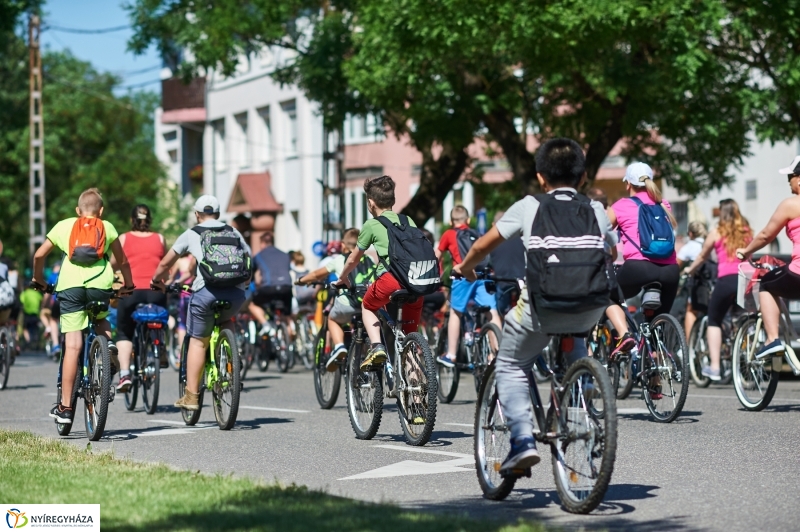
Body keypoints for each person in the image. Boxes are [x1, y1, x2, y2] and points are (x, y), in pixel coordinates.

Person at [453, 138, 617, 471]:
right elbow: (611, 250)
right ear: (583, 177)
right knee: (576, 337)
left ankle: (522, 441)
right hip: (590, 304)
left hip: (543, 305)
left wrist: (465, 268)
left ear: (541, 177)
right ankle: (583, 387)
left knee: (511, 364)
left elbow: (483, 245)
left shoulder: (529, 206)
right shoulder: (595, 209)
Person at [31, 188, 134, 423]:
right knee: (101, 318)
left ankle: (66, 408)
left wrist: (39, 280)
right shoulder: (107, 226)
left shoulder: (64, 226)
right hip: (100, 286)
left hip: (71, 289)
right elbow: (123, 260)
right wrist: (128, 285)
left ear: (78, 210)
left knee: (73, 346)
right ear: (101, 211)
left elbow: (39, 255)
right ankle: (107, 347)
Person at [151, 195, 250, 410]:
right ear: (218, 213)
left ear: (197, 214)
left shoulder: (192, 233)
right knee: (226, 318)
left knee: (198, 341)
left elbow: (166, 262)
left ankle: (192, 397)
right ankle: (232, 358)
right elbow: (248, 262)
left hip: (207, 293)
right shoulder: (234, 232)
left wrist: (156, 280)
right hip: (236, 293)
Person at [335, 175, 424, 369]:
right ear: (393, 200)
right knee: (408, 340)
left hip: (391, 280)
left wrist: (343, 277)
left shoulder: (372, 225)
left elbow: (353, 258)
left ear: (371, 203)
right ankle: (418, 383)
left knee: (368, 305)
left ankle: (377, 347)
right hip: (416, 282)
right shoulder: (407, 220)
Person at [605, 162, 679, 363]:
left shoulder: (620, 206)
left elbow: (600, 232)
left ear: (628, 183)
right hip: (670, 271)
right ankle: (656, 374)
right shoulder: (664, 204)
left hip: (638, 269)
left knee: (606, 296)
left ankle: (624, 335)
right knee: (656, 329)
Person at [736, 155, 800, 359]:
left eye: (790, 177)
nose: (788, 182)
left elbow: (766, 235)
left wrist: (746, 251)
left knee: (766, 284)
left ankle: (772, 340)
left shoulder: (791, 205)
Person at [685, 200, 750, 380]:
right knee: (741, 318)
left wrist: (690, 270)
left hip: (726, 280)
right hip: (745, 279)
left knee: (714, 319)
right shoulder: (747, 232)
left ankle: (715, 367)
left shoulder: (716, 232)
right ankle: (742, 350)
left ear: (722, 213)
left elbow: (702, 256)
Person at [435, 206, 503, 367]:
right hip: (483, 275)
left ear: (451, 221)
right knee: (491, 312)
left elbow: (436, 256)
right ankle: (498, 353)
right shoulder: (476, 233)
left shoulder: (448, 234)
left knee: (455, 312)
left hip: (463, 275)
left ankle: (451, 355)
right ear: (468, 220)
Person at [297, 228, 375, 368]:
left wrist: (301, 280)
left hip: (348, 304)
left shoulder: (340, 259)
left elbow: (316, 275)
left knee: (332, 319)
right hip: (368, 304)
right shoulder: (369, 259)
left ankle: (339, 346)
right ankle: (365, 356)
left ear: (343, 245)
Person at [115, 204, 168, 392]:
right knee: (159, 319)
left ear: (132, 220)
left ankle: (124, 375)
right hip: (155, 291)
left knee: (124, 332)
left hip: (131, 292)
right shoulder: (160, 238)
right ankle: (160, 348)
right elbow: (166, 264)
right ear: (150, 219)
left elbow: (113, 263)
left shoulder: (123, 238)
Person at [249, 231, 293, 333]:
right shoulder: (285, 255)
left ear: (263, 243)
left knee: (252, 304)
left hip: (268, 288)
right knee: (286, 316)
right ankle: (290, 336)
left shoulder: (259, 256)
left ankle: (265, 324)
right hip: (286, 287)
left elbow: (251, 274)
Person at [677, 221, 710, 340]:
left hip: (698, 284)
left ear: (690, 233)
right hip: (713, 282)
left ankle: (689, 342)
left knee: (691, 310)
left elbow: (676, 265)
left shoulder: (689, 246)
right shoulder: (709, 243)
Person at [489, 210, 526, 316]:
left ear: (494, 225)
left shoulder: (493, 242)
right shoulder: (521, 238)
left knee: (498, 311)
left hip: (502, 281)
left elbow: (488, 262)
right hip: (520, 281)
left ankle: (498, 323)